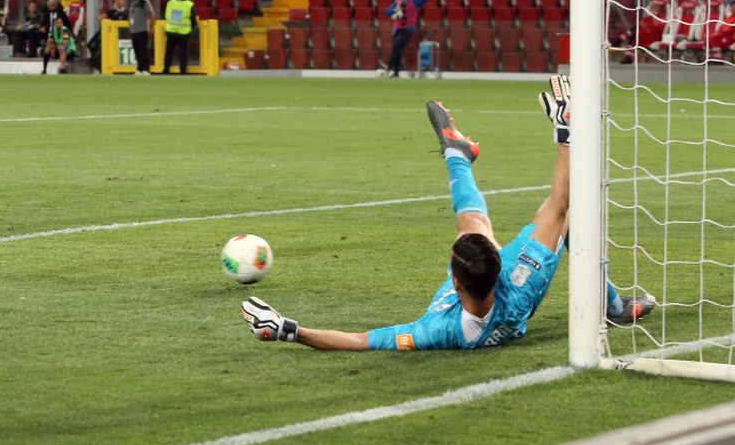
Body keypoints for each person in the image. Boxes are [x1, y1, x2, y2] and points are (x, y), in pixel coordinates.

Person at [241, 77, 655, 351]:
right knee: (567, 218)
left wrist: (289, 331)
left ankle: (458, 154)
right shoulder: (523, 280)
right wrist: (566, 136)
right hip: (516, 286)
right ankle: (611, 304)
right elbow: (560, 204)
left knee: (475, 223)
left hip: (494, 290)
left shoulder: (438, 331)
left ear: (456, 283)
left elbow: (359, 340)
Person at [384, 0, 435, 78]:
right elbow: (387, 12)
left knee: (397, 46)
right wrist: (395, 10)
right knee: (397, 49)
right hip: (397, 29)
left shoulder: (414, 1)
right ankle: (396, 72)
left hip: (408, 29)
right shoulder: (397, 2)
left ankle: (389, 68)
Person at [161, 0, 197, 75]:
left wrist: (189, 29)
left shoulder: (189, 4)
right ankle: (166, 70)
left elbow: (193, 19)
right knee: (169, 53)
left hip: (183, 33)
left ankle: (183, 71)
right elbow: (166, 16)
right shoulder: (170, 3)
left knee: (183, 54)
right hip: (172, 32)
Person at [128, 0, 155, 75]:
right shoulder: (132, 2)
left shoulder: (144, 1)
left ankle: (146, 69)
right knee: (137, 51)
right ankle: (139, 69)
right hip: (134, 30)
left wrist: (151, 27)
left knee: (143, 50)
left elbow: (151, 14)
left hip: (142, 30)